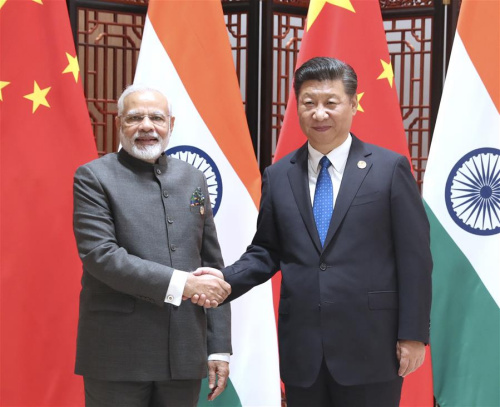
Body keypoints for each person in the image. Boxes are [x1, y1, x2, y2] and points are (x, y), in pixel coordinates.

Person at [195, 57, 432, 406]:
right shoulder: (278, 176)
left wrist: (413, 335)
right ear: (298, 107)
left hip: (372, 345)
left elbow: (415, 259)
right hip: (303, 349)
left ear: (353, 104)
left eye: (330, 102)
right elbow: (266, 251)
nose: (319, 113)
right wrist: (223, 282)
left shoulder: (388, 168)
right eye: (309, 103)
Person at [72, 84, 232, 407]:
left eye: (157, 117)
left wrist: (218, 347)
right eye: (135, 118)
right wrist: (183, 284)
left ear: (171, 125)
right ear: (120, 124)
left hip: (184, 353)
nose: (147, 126)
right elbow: (101, 257)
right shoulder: (93, 178)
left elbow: (211, 264)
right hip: (118, 354)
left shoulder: (193, 178)